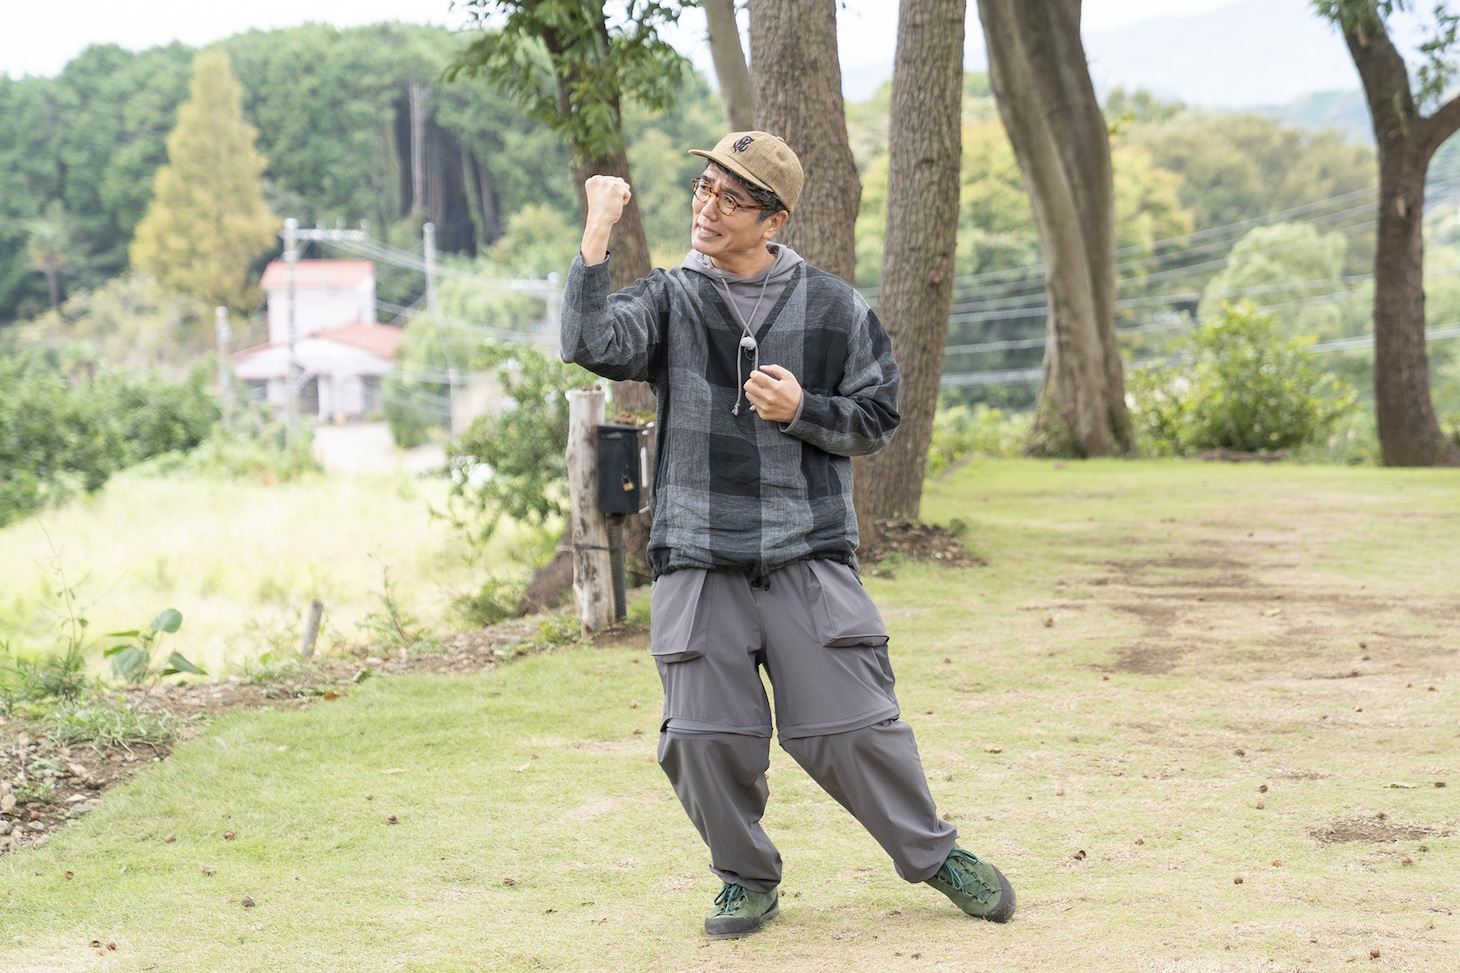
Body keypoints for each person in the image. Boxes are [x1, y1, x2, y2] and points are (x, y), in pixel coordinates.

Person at [560, 131, 1015, 939]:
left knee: (853, 727)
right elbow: (592, 344)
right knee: (704, 738)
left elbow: (878, 418)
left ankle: (936, 855)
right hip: (700, 555)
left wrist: (802, 410)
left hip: (807, 552)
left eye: (730, 199)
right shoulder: (669, 298)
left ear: (772, 220)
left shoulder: (835, 306)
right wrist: (597, 232)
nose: (707, 207)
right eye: (704, 189)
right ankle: (745, 877)